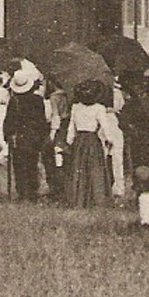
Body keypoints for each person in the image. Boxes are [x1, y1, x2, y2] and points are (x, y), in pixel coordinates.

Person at [65, 80, 118, 208]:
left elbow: (71, 127)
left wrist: (69, 140)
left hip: (79, 141)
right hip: (92, 141)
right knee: (95, 169)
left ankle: (79, 199)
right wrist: (110, 139)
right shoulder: (99, 108)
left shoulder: (76, 107)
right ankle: (97, 199)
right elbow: (105, 127)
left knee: (79, 169)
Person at [4, 67, 50, 199]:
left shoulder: (14, 101)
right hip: (33, 136)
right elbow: (42, 120)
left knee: (19, 165)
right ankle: (32, 190)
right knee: (32, 162)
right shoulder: (37, 100)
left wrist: (7, 134)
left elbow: (9, 120)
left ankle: (22, 191)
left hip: (19, 136)